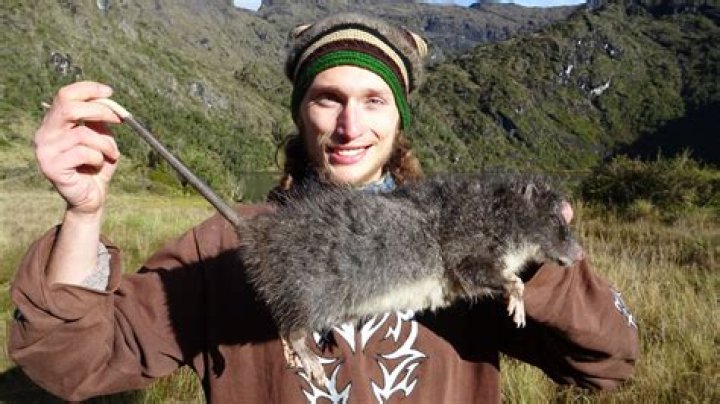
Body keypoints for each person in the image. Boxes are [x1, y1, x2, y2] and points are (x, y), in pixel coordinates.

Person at [8, 13, 639, 403]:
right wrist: (84, 213)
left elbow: (610, 364)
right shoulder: (226, 245)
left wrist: (524, 248)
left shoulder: (464, 234)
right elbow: (70, 365)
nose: (348, 126)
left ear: (399, 119)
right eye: (327, 98)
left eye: (373, 100)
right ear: (301, 112)